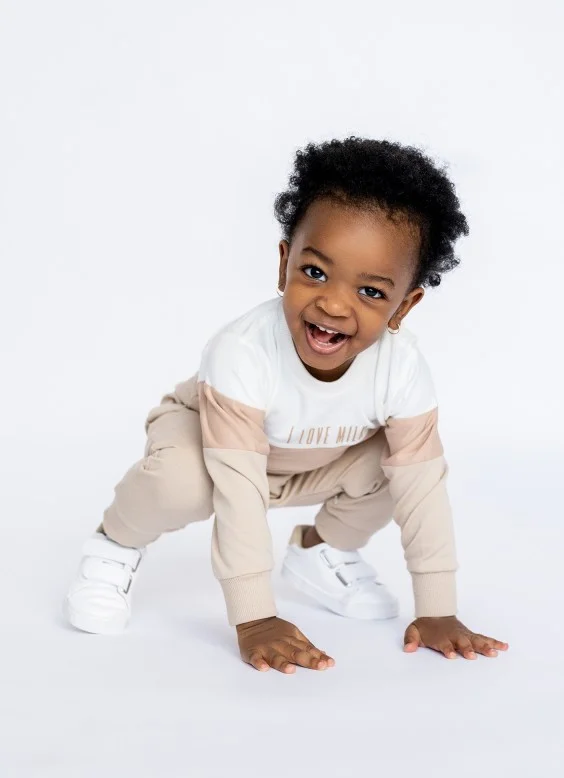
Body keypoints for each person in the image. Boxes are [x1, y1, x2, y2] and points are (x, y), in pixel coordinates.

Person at [65, 136, 509, 673]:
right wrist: (255, 617)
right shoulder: (243, 351)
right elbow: (238, 491)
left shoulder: (402, 366)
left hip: (308, 461)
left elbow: (423, 491)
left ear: (404, 305)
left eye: (371, 292)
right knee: (181, 483)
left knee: (398, 465)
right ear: (284, 264)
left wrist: (438, 609)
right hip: (212, 446)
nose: (333, 304)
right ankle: (114, 544)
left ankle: (322, 551)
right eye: (315, 272)